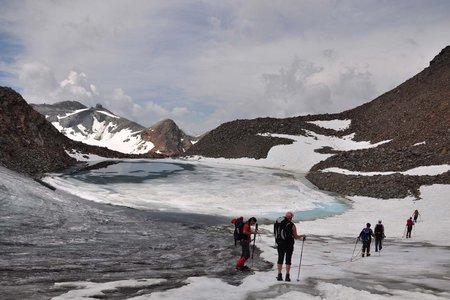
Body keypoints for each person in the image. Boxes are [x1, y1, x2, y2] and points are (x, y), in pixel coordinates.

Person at [275, 211, 306, 282]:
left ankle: (279, 275)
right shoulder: (292, 225)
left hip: (280, 243)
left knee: (280, 259)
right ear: (291, 217)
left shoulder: (278, 223)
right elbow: (295, 236)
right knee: (288, 260)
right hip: (289, 244)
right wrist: (302, 236)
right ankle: (287, 276)